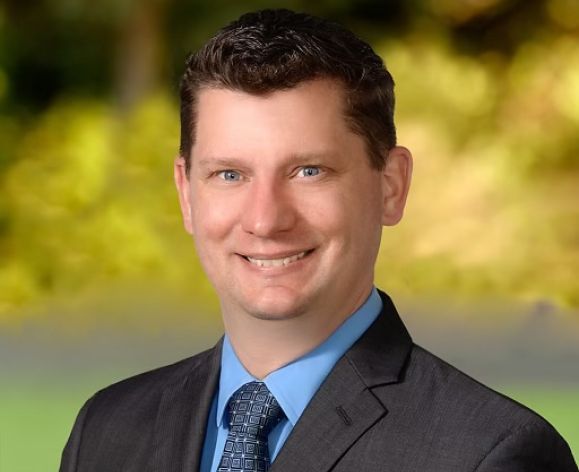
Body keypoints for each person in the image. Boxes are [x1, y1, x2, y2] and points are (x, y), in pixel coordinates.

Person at [60, 9, 577, 472]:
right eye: (229, 175)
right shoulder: (105, 431)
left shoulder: (490, 453)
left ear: (391, 186)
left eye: (309, 171)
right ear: (186, 192)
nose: (265, 219)